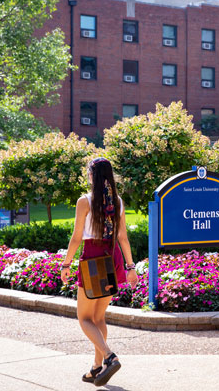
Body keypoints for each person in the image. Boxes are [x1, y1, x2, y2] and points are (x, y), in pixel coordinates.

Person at [60, 157, 138, 387]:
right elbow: (122, 237)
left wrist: (66, 264)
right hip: (111, 257)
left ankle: (109, 357)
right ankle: (96, 368)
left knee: (84, 318)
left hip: (93, 258)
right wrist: (131, 267)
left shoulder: (85, 201)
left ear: (92, 176)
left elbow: (76, 238)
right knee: (99, 317)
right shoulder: (118, 201)